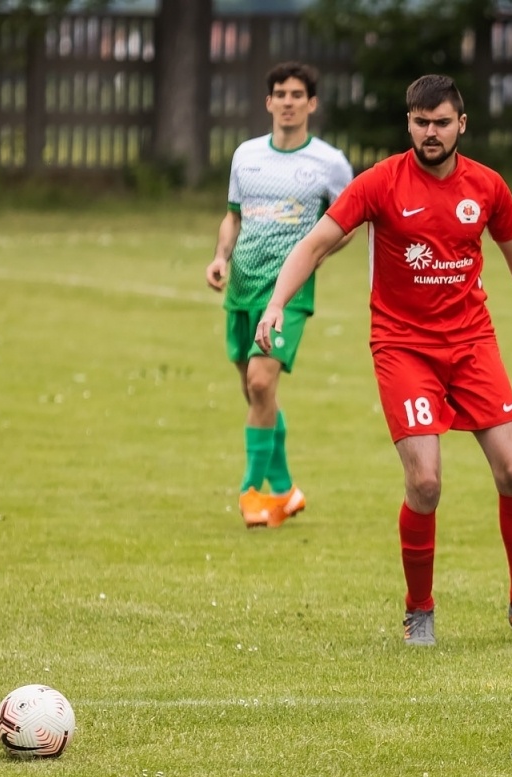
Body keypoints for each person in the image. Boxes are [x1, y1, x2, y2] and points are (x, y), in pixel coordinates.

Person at [256, 74, 512, 647]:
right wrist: (275, 303)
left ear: (462, 125)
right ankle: (419, 610)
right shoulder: (381, 182)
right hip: (403, 346)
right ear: (408, 123)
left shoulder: (486, 186)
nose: (429, 132)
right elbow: (314, 243)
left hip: (472, 344)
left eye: (440, 122)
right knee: (426, 482)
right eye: (419, 122)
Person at [206, 61, 354, 527]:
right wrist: (220, 258)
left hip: (288, 292)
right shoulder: (246, 155)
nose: (288, 102)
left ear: (311, 104)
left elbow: (350, 219)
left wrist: (318, 255)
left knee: (261, 383)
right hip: (243, 285)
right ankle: (286, 491)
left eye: (297, 95)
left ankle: (251, 494)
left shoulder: (329, 162)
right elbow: (233, 215)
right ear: (268, 102)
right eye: (280, 94)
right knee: (257, 396)